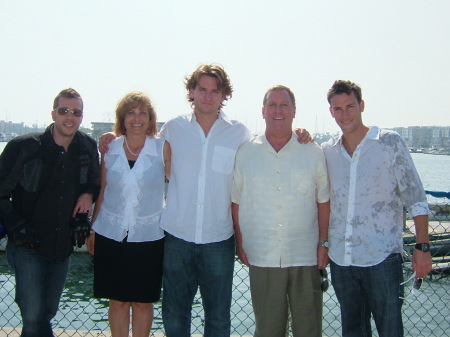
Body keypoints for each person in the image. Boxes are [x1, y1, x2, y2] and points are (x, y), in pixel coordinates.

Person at [98, 64, 311, 337]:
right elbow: (141, 144)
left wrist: (300, 134)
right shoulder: (173, 129)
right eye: (202, 89)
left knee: (219, 319)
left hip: (219, 240)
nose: (208, 97)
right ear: (192, 91)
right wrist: (112, 137)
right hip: (176, 237)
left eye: (215, 91)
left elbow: (269, 146)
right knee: (175, 317)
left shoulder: (239, 134)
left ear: (224, 96)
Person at [322, 80, 432, 337]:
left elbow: (415, 197)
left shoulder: (389, 143)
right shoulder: (328, 150)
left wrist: (422, 247)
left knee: (390, 330)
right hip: (342, 260)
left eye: (350, 106)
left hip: (382, 258)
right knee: (353, 331)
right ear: (331, 112)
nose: (345, 114)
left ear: (361, 106)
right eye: (338, 109)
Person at [0, 88, 101, 337]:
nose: (70, 117)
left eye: (76, 112)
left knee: (47, 312)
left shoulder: (87, 147)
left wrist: (87, 198)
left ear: (82, 116)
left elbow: (94, 182)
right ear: (53, 113)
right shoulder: (23, 147)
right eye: (64, 111)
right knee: (33, 317)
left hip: (62, 244)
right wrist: (17, 227)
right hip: (27, 244)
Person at [231, 85, 330, 337]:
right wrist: (241, 242)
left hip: (305, 254)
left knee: (309, 330)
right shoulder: (246, 152)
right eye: (272, 105)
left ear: (294, 111)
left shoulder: (313, 152)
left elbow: (323, 200)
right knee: (268, 330)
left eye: (284, 105)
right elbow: (236, 201)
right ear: (262, 111)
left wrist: (323, 243)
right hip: (262, 255)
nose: (278, 110)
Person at [87, 92, 170, 337]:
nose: (137, 118)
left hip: (149, 236)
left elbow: (180, 184)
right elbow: (103, 190)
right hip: (110, 233)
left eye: (142, 112)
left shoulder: (162, 148)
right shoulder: (110, 147)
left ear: (150, 118)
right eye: (131, 112)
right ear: (122, 118)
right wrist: (93, 229)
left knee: (144, 302)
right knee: (118, 301)